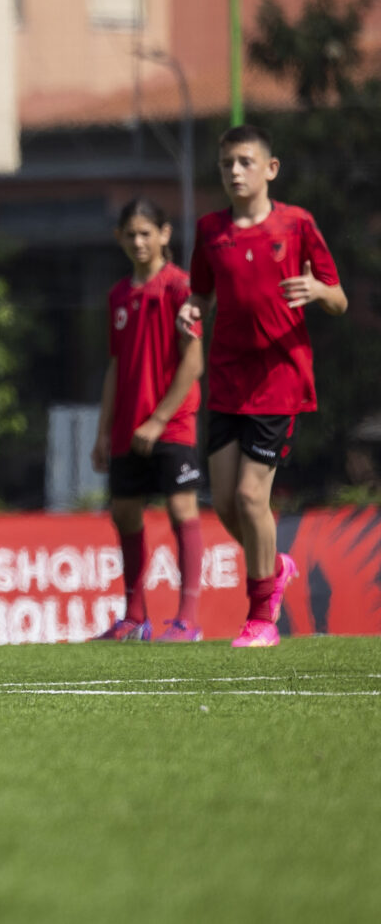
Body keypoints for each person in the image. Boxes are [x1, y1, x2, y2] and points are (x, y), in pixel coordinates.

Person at [178, 125, 345, 648]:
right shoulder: (210, 230)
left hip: (278, 377)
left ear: (270, 169)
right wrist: (191, 310)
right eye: (227, 163)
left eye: (245, 162)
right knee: (227, 504)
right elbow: (201, 295)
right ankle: (275, 567)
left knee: (252, 498)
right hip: (228, 377)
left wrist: (317, 289)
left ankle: (261, 618)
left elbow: (339, 299)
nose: (235, 172)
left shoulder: (297, 224)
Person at [89, 199, 205, 643]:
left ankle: (188, 620)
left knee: (181, 509)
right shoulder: (118, 295)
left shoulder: (180, 287)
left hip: (171, 422)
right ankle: (134, 618)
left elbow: (193, 362)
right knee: (124, 513)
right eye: (131, 234)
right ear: (119, 237)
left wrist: (158, 419)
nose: (138, 242)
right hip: (127, 425)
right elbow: (116, 365)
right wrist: (103, 431)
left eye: (146, 233)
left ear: (164, 234)